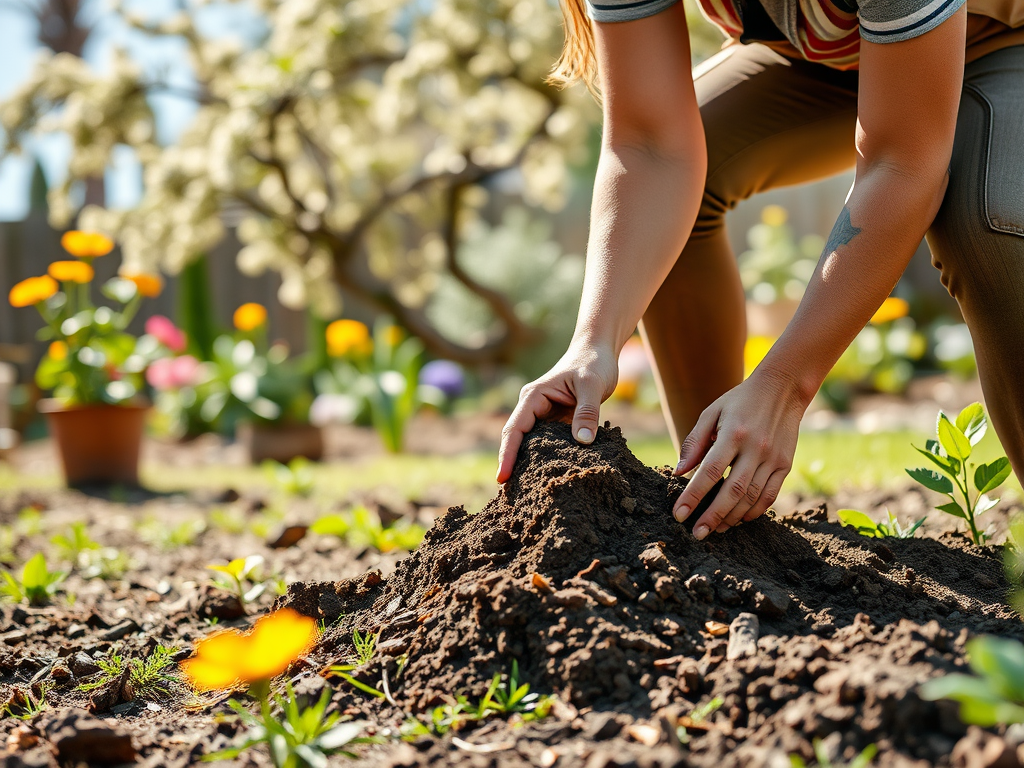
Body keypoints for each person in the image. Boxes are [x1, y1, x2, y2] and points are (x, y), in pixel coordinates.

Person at [495, 0, 1024, 540]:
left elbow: (903, 162)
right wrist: (595, 340)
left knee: (991, 220)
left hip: (1001, 38)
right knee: (668, 209)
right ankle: (718, 507)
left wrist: (783, 383)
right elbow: (651, 145)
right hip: (828, 59)